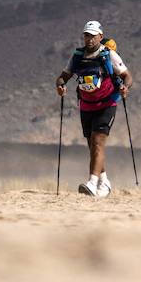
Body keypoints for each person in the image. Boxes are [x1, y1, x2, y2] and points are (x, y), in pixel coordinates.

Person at [56, 21, 132, 197]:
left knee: (98, 142)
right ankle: (104, 182)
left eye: (92, 35)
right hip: (86, 105)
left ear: (100, 36)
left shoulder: (108, 55)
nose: (89, 39)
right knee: (92, 146)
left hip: (107, 103)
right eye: (86, 35)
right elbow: (62, 77)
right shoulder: (77, 56)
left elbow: (127, 76)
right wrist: (60, 86)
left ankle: (91, 183)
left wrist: (125, 88)